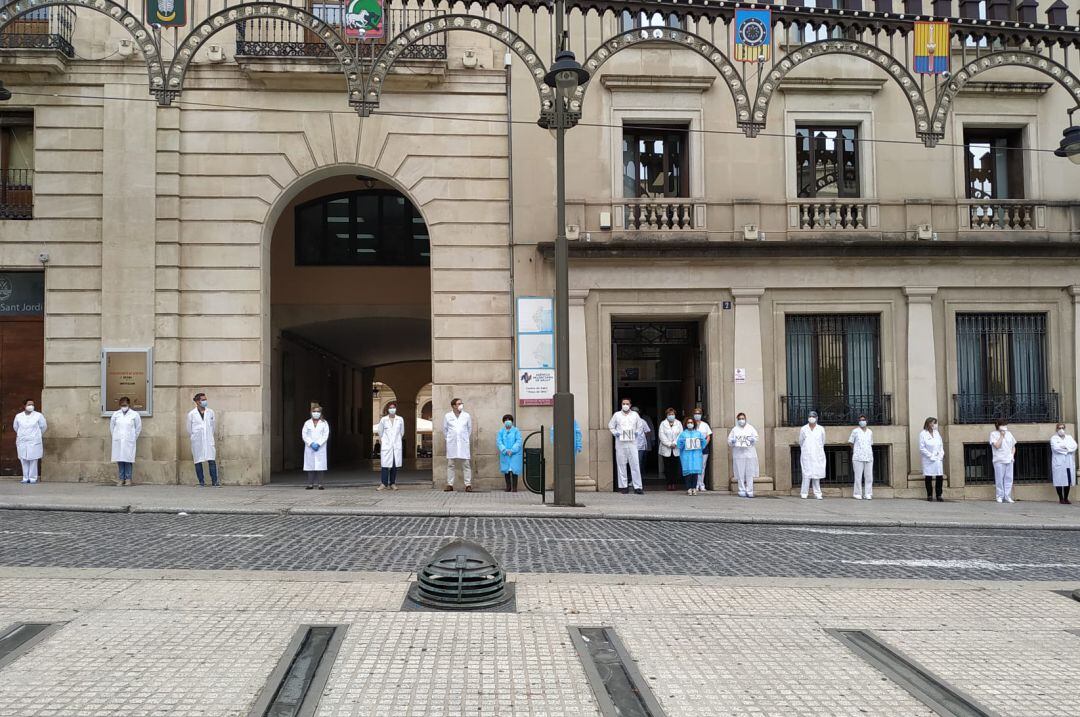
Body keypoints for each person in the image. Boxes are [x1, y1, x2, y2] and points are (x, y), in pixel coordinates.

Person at [609, 398, 644, 494]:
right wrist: (615, 433)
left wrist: (637, 433)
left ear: (630, 405)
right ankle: (623, 486)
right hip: (620, 443)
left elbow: (640, 426)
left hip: (632, 442)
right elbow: (611, 426)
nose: (625, 405)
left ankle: (638, 487)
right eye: (623, 403)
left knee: (635, 464)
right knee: (621, 464)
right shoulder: (617, 415)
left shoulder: (635, 415)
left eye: (627, 403)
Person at [187, 392, 218, 487]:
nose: (205, 401)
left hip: (208, 439)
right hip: (197, 440)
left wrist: (208, 435)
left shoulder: (210, 412)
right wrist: (195, 436)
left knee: (211, 460)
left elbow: (213, 426)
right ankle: (201, 481)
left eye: (205, 399)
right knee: (198, 460)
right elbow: (189, 429)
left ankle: (215, 481)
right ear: (197, 402)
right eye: (203, 400)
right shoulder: (192, 414)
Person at [109, 397, 142, 487]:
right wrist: (116, 437)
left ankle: (128, 479)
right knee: (120, 460)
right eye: (122, 405)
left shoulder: (134, 415)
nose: (124, 407)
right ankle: (121, 479)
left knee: (128, 460)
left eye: (125, 405)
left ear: (129, 405)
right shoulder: (116, 414)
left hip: (129, 441)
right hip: (118, 441)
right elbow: (112, 427)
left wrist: (132, 438)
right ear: (119, 405)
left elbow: (138, 428)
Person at [13, 398, 46, 484]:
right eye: (29, 404)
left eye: (32, 404)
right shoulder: (18, 416)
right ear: (24, 406)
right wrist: (23, 435)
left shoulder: (38, 415)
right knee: (23, 459)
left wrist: (36, 435)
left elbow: (43, 427)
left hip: (34, 441)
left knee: (33, 459)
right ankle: (25, 477)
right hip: (22, 441)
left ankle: (32, 478)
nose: (31, 406)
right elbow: (16, 427)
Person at [443, 397, 472, 492]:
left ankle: (468, 484)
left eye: (461, 403)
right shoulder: (448, 416)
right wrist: (449, 439)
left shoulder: (466, 415)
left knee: (466, 464)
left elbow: (469, 429)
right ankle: (449, 484)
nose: (461, 405)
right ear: (454, 406)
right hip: (452, 443)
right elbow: (445, 430)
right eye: (459, 404)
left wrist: (464, 438)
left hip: (463, 443)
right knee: (451, 464)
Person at [727, 412, 759, 498]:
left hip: (749, 453)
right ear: (737, 420)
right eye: (740, 419)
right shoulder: (734, 429)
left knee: (749, 472)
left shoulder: (750, 428)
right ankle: (741, 489)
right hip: (739, 454)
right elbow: (729, 440)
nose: (741, 420)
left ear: (745, 419)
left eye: (743, 418)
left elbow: (756, 437)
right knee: (740, 472)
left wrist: (753, 440)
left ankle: (750, 490)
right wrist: (732, 441)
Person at [377, 401, 404, 491]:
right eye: (390, 407)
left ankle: (392, 483)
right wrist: (384, 441)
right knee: (385, 464)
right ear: (388, 409)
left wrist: (397, 440)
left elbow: (402, 432)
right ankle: (383, 483)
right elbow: (380, 432)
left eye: (393, 407)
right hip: (387, 445)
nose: (392, 409)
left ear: (396, 409)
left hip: (396, 445)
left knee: (394, 465)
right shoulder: (383, 420)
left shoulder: (400, 419)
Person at [798, 411, 825, 500]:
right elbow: (801, 441)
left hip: (817, 454)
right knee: (806, 474)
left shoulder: (821, 429)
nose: (811, 418)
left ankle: (817, 493)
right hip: (807, 455)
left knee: (816, 475)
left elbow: (823, 441)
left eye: (813, 416)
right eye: (810, 416)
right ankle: (804, 492)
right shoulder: (803, 429)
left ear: (817, 418)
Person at [302, 403, 329, 490]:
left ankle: (320, 484)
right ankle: (310, 484)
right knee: (310, 466)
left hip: (320, 447)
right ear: (311, 412)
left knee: (320, 466)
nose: (316, 413)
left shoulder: (324, 423)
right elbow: (304, 435)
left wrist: (318, 443)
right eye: (314, 411)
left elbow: (325, 435)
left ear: (320, 413)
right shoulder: (307, 423)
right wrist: (311, 443)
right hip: (310, 447)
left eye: (318, 411)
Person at [990, 419, 1016, 504]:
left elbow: (1013, 446)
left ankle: (1007, 496)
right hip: (999, 460)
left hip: (1009, 459)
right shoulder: (993, 434)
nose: (1005, 426)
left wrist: (1012, 455)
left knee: (1009, 478)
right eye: (1003, 425)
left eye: (1006, 424)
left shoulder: (1009, 434)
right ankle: (999, 496)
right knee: (999, 479)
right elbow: (997, 446)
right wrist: (1001, 435)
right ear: (998, 425)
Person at [848, 414, 874, 500]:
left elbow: (871, 443)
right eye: (860, 420)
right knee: (858, 476)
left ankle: (868, 493)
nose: (862, 421)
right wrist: (856, 450)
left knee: (869, 476)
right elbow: (851, 442)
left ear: (866, 421)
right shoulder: (855, 431)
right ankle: (857, 493)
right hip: (858, 457)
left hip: (868, 456)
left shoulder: (870, 432)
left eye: (864, 420)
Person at [919, 417, 945, 502]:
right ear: (927, 423)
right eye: (932, 423)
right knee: (928, 477)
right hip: (928, 459)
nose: (933, 425)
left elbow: (941, 445)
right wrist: (930, 455)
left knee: (939, 477)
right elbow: (922, 448)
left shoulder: (937, 433)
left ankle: (939, 495)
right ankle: (929, 495)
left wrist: (941, 455)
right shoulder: (923, 434)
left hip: (938, 458)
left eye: (934, 423)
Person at [677, 417, 705, 496]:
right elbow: (679, 445)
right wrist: (682, 442)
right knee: (688, 472)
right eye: (688, 423)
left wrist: (702, 441)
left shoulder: (698, 433)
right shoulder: (683, 434)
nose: (690, 424)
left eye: (691, 423)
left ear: (694, 424)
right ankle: (689, 488)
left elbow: (703, 444)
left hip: (696, 455)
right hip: (686, 456)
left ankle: (694, 488)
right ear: (686, 424)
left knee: (695, 472)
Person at [1050, 423, 1077, 504]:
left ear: (1065, 428)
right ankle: (1061, 498)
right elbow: (1056, 448)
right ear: (1056, 429)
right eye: (1059, 428)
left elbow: (1074, 446)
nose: (1061, 429)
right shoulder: (1054, 438)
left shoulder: (1069, 437)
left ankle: (1066, 498)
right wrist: (1068, 448)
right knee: (1059, 480)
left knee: (1067, 481)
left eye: (1062, 428)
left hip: (1068, 462)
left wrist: (1065, 447)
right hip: (1059, 463)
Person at [497, 414, 523, 492]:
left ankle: (514, 488)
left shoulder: (516, 431)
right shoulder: (501, 431)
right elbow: (499, 441)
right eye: (506, 420)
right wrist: (505, 450)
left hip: (514, 454)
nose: (507, 422)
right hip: (505, 453)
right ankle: (508, 487)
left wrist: (512, 450)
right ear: (503, 422)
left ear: (512, 421)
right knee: (506, 470)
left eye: (509, 420)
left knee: (514, 470)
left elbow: (518, 441)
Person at [658, 408, 682, 491]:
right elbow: (661, 435)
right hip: (666, 448)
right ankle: (668, 483)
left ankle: (674, 483)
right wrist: (669, 444)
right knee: (667, 467)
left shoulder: (678, 423)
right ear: (666, 415)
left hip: (676, 448)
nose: (671, 416)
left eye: (672, 414)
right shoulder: (663, 423)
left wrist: (675, 443)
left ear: (675, 415)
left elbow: (681, 434)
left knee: (675, 467)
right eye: (669, 414)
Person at [692, 407, 713, 492]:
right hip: (694, 448)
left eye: (699, 413)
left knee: (702, 466)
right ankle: (696, 484)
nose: (697, 415)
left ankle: (702, 484)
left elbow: (708, 436)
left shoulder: (705, 425)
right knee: (695, 466)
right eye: (696, 413)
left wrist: (704, 444)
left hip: (704, 448)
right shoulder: (691, 424)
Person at [631, 406, 652, 478]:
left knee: (638, 463)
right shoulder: (628, 421)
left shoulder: (643, 421)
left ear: (639, 412)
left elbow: (648, 431)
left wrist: (641, 437)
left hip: (640, 446)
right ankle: (633, 479)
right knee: (631, 463)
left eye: (636, 411)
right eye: (633, 411)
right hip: (630, 445)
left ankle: (637, 479)